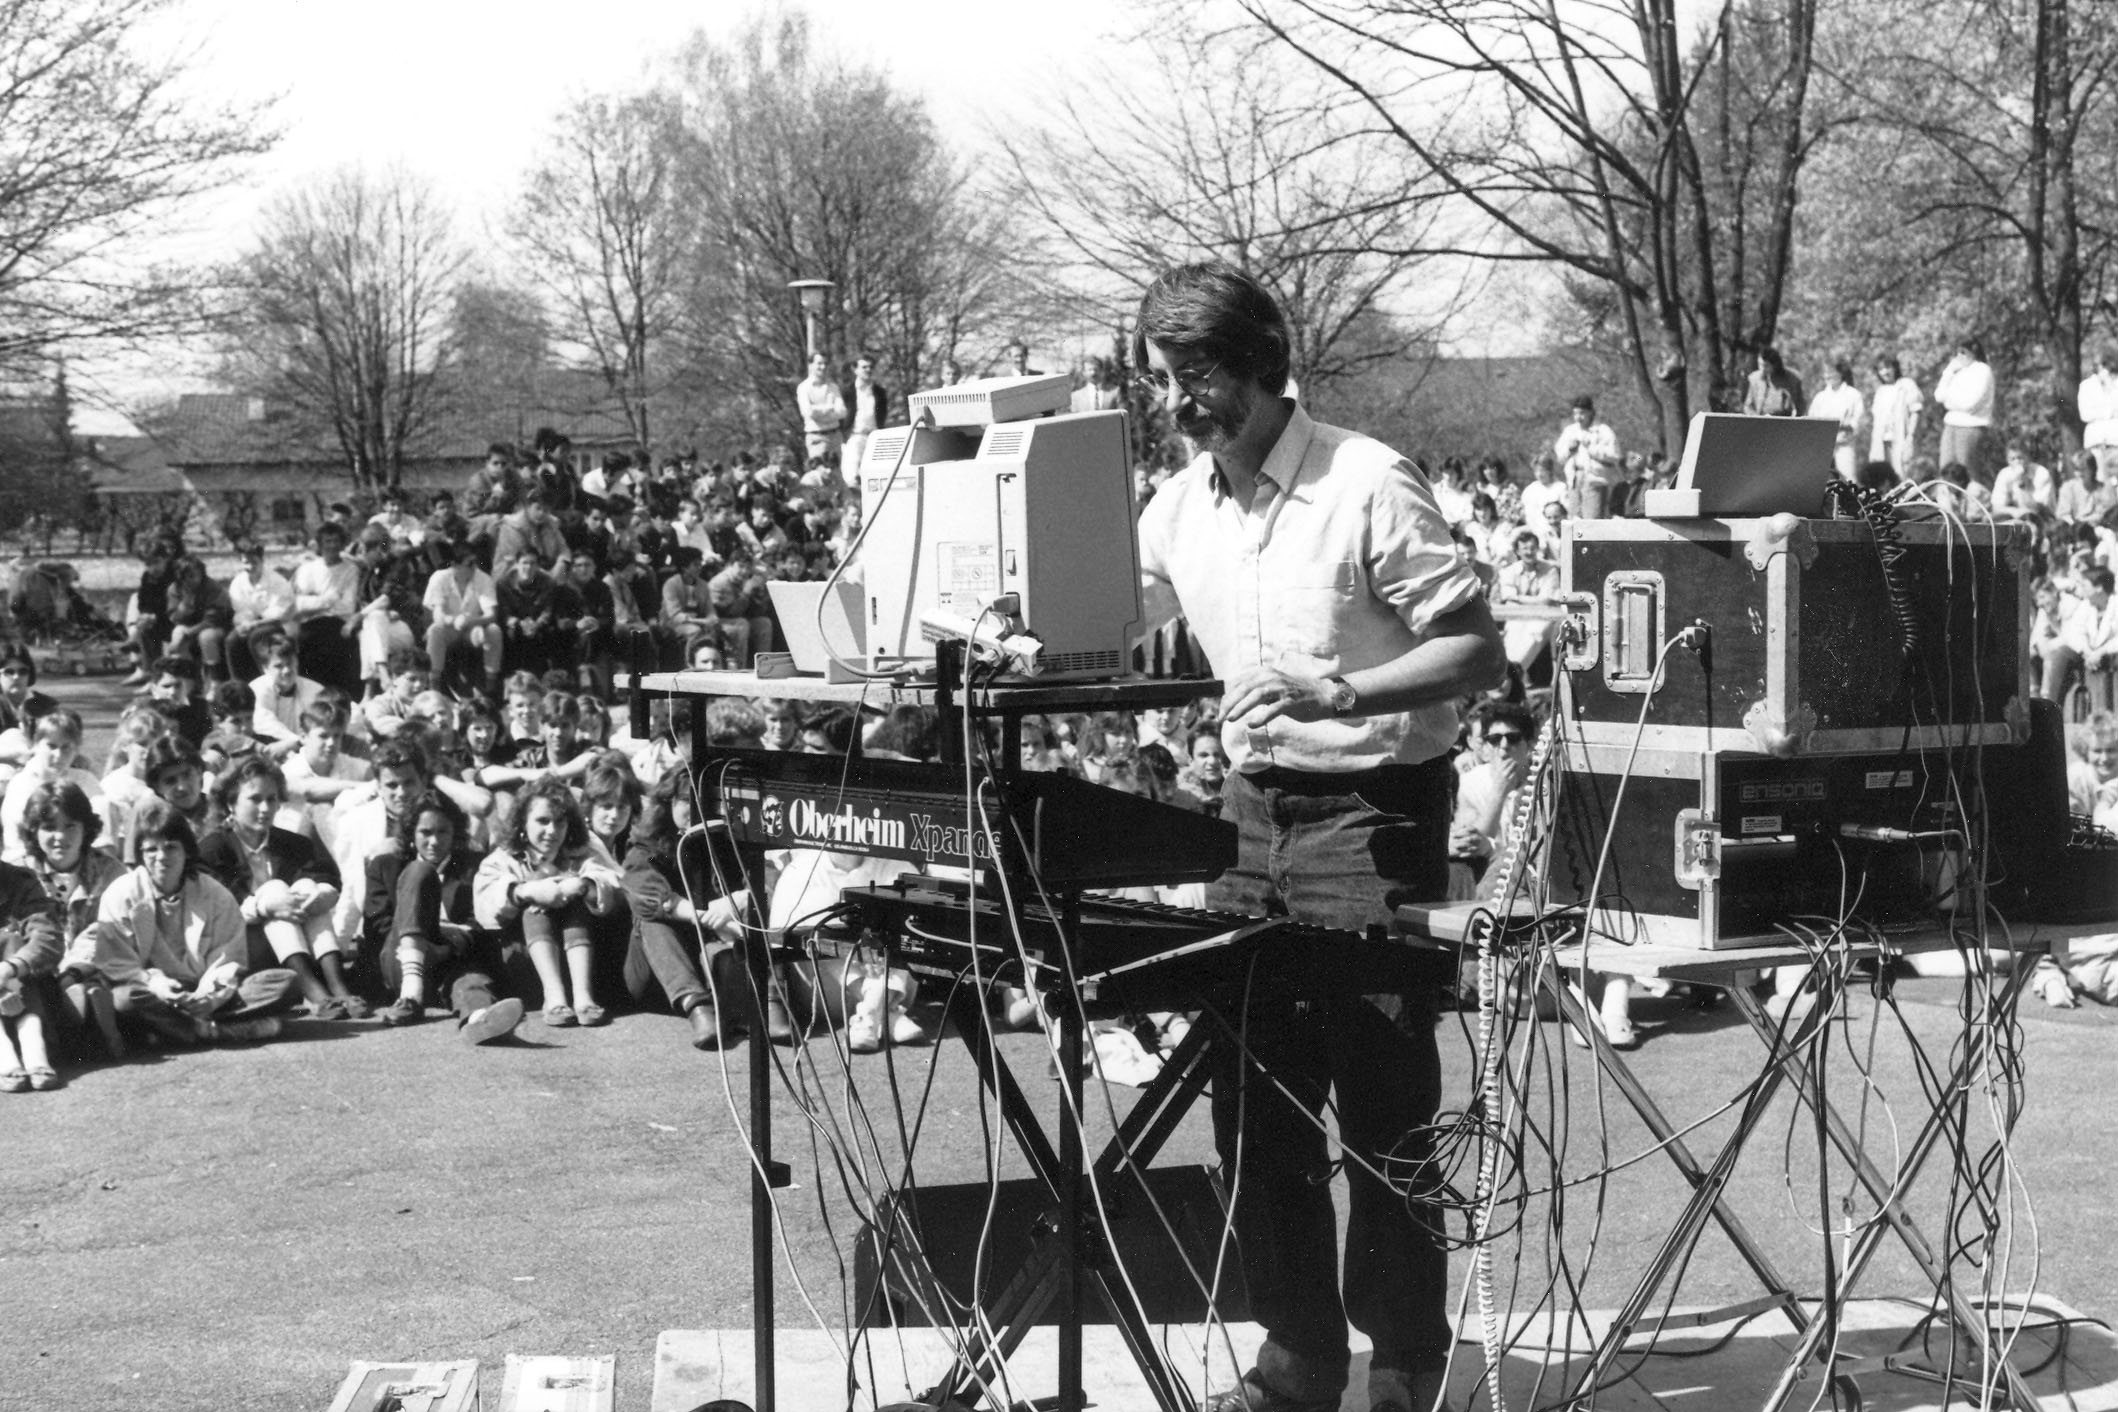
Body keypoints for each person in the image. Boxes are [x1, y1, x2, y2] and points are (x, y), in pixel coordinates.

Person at [1130, 262, 1504, 1412]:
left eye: (1199, 376)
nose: (1178, 402)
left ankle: (1404, 1365)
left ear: (1262, 364)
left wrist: (1341, 690)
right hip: (1249, 818)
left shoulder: (1367, 480)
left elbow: (1478, 647)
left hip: (1375, 814)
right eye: (1162, 379)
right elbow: (1098, 624)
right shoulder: (1174, 509)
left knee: (1384, 1112)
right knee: (1254, 1110)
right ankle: (1297, 1361)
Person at [81, 800, 299, 1047]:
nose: (161, 858)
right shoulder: (121, 893)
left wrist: (208, 996)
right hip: (152, 991)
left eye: (171, 847)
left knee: (286, 983)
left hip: (206, 991)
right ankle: (216, 1031)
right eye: (151, 850)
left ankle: (174, 1031)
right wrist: (156, 984)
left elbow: (227, 958)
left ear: (187, 850)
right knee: (125, 999)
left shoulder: (215, 894)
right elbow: (116, 962)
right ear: (141, 855)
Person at [197, 757, 365, 1020]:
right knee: (275, 890)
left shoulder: (294, 844)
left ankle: (337, 986)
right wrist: (266, 906)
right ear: (231, 802)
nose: (265, 808)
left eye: (272, 799)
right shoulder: (213, 849)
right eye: (255, 799)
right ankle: (315, 993)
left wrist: (319, 894)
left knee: (307, 886)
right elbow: (220, 908)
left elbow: (328, 877)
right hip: (243, 949)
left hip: (299, 947)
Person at [367, 788, 524, 1043]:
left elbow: (481, 922)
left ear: (455, 834)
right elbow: (379, 924)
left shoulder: (475, 866)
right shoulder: (386, 865)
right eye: (425, 832)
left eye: (443, 832)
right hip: (400, 959)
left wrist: (445, 946)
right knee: (420, 871)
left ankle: (480, 1021)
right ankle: (410, 994)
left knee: (472, 983)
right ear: (411, 832)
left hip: (452, 958)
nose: (434, 841)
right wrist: (419, 943)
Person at [472, 775, 623, 1028]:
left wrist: (583, 885)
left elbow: (615, 881)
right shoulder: (503, 858)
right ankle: (554, 996)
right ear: (523, 821)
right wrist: (524, 891)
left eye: (560, 822)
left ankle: (584, 997)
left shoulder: (583, 852)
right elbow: (485, 904)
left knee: (574, 898)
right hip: (527, 964)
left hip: (581, 961)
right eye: (542, 821)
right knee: (535, 906)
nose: (552, 831)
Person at [290, 522, 363, 696]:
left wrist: (314, 600)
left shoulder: (350, 569)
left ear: (343, 543)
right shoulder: (307, 569)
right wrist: (330, 599)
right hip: (310, 622)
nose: (332, 546)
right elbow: (299, 603)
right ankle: (310, 694)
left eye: (336, 541)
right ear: (320, 544)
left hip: (339, 622)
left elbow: (347, 606)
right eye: (328, 541)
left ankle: (341, 695)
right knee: (305, 642)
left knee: (337, 643)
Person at [1552, 395, 1622, 519]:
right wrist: (1569, 450)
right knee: (1575, 518)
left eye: (1582, 413)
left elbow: (1615, 455)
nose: (1578, 417)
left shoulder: (1602, 430)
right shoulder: (1570, 431)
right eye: (1575, 414)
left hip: (1594, 479)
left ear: (1590, 412)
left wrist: (1591, 448)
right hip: (1574, 479)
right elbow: (1560, 458)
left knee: (1592, 520)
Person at [1935, 336, 1996, 477]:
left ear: (1974, 352)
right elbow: (1939, 395)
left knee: (1967, 471)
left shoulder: (1982, 370)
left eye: (1963, 352)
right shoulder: (1957, 371)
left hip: (1971, 427)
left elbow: (1969, 403)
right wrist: (1948, 372)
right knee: (1945, 470)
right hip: (1950, 425)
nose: (1959, 356)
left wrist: (1949, 402)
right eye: (1957, 352)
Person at [1808, 360, 1865, 478]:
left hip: (1845, 444)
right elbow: (1811, 421)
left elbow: (1858, 420)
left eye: (1831, 372)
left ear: (1841, 373)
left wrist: (1845, 432)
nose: (1828, 376)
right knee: (1818, 479)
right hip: (1823, 445)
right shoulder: (1820, 397)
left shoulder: (1853, 395)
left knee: (1848, 479)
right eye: (1826, 373)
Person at [839, 354, 890, 484]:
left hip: (875, 437)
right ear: (855, 369)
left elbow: (883, 415)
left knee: (877, 477)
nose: (868, 370)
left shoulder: (880, 392)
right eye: (864, 367)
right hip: (855, 436)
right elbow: (841, 415)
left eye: (871, 367)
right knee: (851, 477)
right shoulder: (846, 391)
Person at [1868, 356, 1922, 475]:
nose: (1885, 372)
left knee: (1902, 472)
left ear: (1895, 368)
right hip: (1882, 440)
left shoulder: (1906, 384)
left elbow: (1915, 411)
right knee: (1883, 474)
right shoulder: (1880, 391)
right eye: (1881, 369)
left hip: (1901, 438)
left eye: (1888, 367)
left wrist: (1910, 436)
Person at [797, 352, 848, 467]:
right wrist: (830, 407)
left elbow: (842, 412)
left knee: (836, 474)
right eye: (819, 363)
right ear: (810, 365)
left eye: (825, 363)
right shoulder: (804, 388)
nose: (823, 367)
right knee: (819, 473)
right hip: (817, 437)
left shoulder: (833, 387)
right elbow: (808, 412)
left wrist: (819, 414)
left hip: (835, 437)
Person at [1741, 345, 1805, 417]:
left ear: (1775, 365)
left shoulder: (1791, 380)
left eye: (1766, 366)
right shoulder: (1754, 379)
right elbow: (1748, 406)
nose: (1762, 369)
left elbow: (1799, 407)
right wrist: (1757, 418)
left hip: (1782, 421)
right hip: (1759, 421)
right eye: (1760, 364)